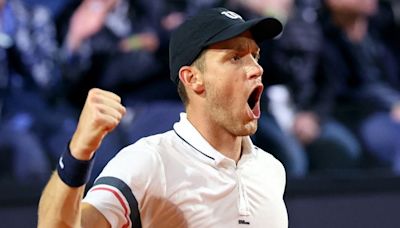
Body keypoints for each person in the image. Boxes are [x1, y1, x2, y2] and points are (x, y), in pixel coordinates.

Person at [38, 7, 288, 227]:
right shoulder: (148, 163)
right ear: (192, 79)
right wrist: (79, 151)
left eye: (254, 56)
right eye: (235, 57)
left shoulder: (271, 170)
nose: (257, 69)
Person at [319, 0, 400, 173]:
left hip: (390, 109)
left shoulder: (380, 31)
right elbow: (339, 92)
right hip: (356, 115)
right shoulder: (323, 37)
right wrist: (390, 106)